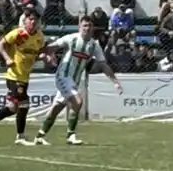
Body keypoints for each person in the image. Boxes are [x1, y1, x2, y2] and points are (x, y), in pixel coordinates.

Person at [34, 16, 121, 146]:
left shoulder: (94, 45)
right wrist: (46, 55)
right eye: (84, 25)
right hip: (63, 76)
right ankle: (71, 135)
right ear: (79, 27)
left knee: (56, 109)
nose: (87, 28)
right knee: (78, 101)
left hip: (74, 81)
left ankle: (39, 136)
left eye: (89, 26)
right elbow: (51, 47)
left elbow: (103, 65)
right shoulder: (71, 39)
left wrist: (115, 82)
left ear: (93, 28)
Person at [0, 5, 44, 145]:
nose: (33, 22)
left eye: (35, 20)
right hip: (14, 76)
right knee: (24, 104)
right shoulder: (18, 33)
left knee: (13, 108)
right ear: (25, 21)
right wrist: (7, 58)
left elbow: (39, 52)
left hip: (24, 77)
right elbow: (0, 45)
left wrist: (46, 56)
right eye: (30, 19)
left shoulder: (39, 37)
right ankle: (20, 137)